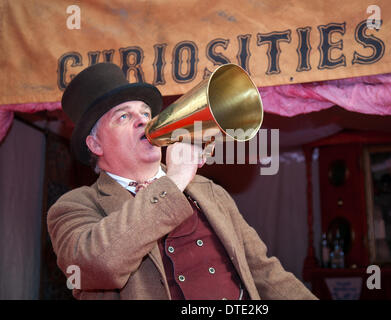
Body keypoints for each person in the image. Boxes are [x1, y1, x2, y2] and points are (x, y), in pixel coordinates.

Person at [47, 62, 317, 300]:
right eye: (124, 116)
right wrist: (174, 180)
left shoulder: (208, 191)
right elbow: (97, 265)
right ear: (95, 144)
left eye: (145, 112)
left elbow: (265, 272)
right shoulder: (74, 206)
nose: (143, 121)